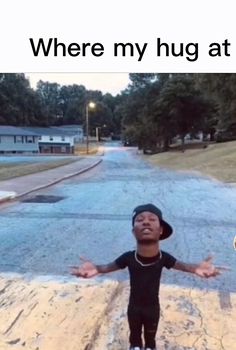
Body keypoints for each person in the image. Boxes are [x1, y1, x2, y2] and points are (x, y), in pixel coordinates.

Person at [70, 204, 228, 350]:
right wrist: (96, 268)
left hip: (152, 309)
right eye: (139, 220)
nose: (146, 222)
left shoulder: (164, 258)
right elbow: (107, 267)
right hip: (134, 308)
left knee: (151, 340)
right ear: (133, 231)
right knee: (135, 339)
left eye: (152, 219)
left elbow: (183, 265)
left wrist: (195, 269)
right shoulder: (128, 257)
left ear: (160, 230)